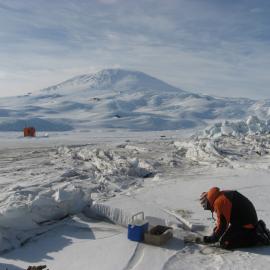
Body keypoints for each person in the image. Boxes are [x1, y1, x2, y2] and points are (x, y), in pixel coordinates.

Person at [200, 187, 270, 249]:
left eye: (206, 207)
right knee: (224, 237)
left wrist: (213, 238)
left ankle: (257, 236)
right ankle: (256, 228)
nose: (208, 209)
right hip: (243, 221)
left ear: (208, 203)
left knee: (225, 243)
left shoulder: (219, 202)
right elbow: (222, 221)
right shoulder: (221, 195)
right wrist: (215, 233)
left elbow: (223, 225)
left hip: (245, 224)